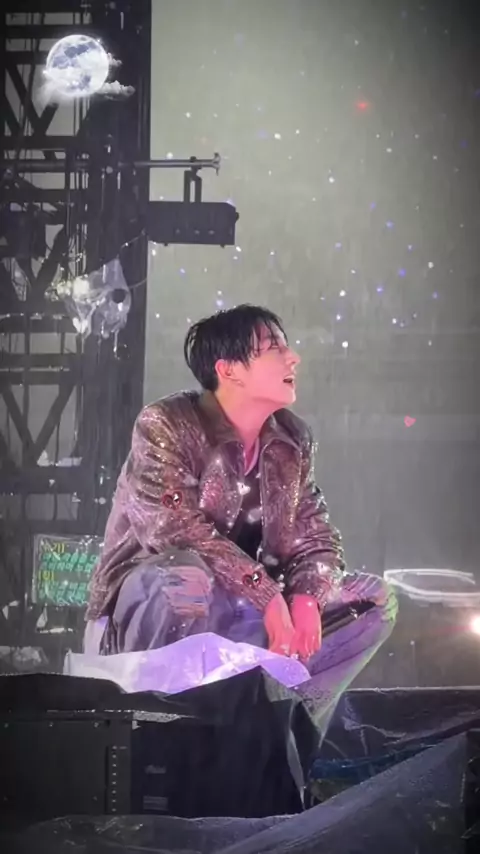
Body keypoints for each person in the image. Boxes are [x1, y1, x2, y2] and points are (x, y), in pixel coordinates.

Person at [85, 305, 397, 690]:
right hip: (153, 615)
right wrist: (267, 596)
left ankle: (285, 709)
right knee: (185, 578)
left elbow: (315, 538)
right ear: (229, 370)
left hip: (246, 614)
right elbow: (174, 530)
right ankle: (164, 715)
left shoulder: (291, 440)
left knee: (374, 600)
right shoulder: (167, 424)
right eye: (274, 348)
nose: (293, 357)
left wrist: (307, 598)